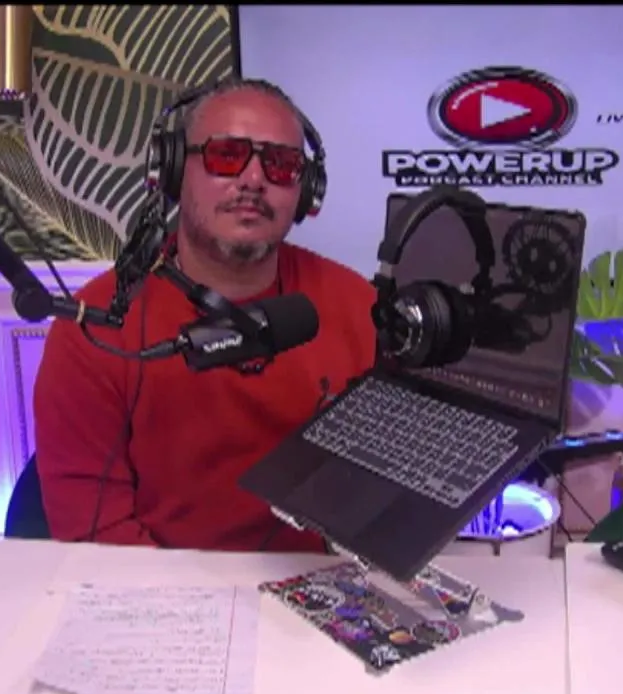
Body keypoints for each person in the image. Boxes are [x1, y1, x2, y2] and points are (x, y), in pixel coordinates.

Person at [33, 78, 377, 553]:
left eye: (280, 165)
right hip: (160, 588)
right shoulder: (96, 329)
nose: (253, 180)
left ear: (306, 192)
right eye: (226, 155)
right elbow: (96, 538)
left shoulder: (357, 305)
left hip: (322, 588)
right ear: (174, 170)